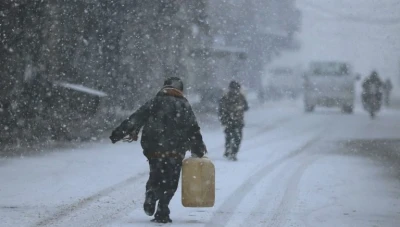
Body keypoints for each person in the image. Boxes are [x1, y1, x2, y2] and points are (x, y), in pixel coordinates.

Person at [109, 77, 207, 223]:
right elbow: (193, 129)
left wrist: (118, 133)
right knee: (171, 180)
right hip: (175, 150)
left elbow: (136, 118)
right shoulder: (184, 105)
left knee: (156, 174)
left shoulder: (155, 102)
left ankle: (151, 194)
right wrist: (198, 148)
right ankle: (162, 210)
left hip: (154, 148)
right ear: (181, 90)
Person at [218, 80, 249, 161]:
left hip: (230, 121)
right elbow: (246, 107)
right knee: (236, 138)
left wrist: (223, 119)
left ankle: (229, 151)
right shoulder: (239, 97)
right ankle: (232, 153)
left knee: (230, 137)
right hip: (235, 121)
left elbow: (221, 110)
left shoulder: (226, 97)